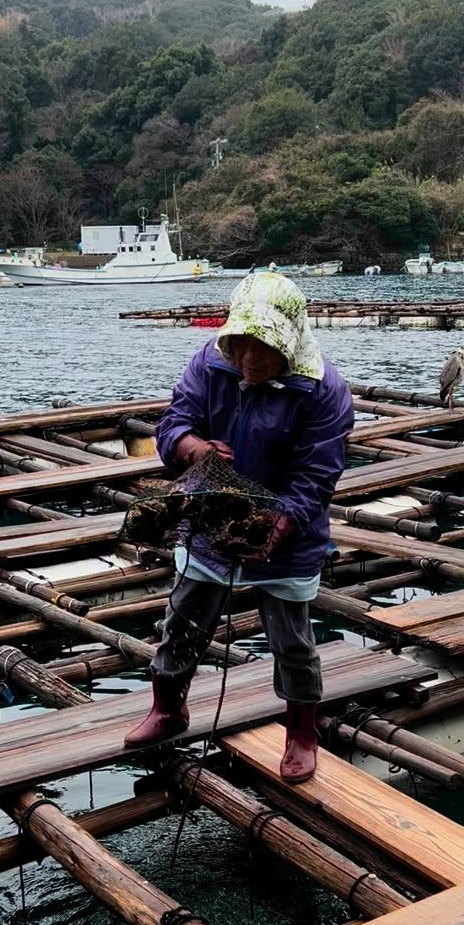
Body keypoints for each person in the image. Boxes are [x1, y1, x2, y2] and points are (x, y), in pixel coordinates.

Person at [124, 272, 354, 783]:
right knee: (181, 621)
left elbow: (316, 477)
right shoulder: (210, 363)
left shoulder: (324, 392)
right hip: (209, 522)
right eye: (241, 343)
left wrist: (278, 526)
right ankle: (167, 708)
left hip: (286, 535)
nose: (248, 358)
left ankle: (301, 731)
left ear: (288, 341)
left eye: (262, 347)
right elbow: (172, 425)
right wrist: (193, 448)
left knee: (291, 640)